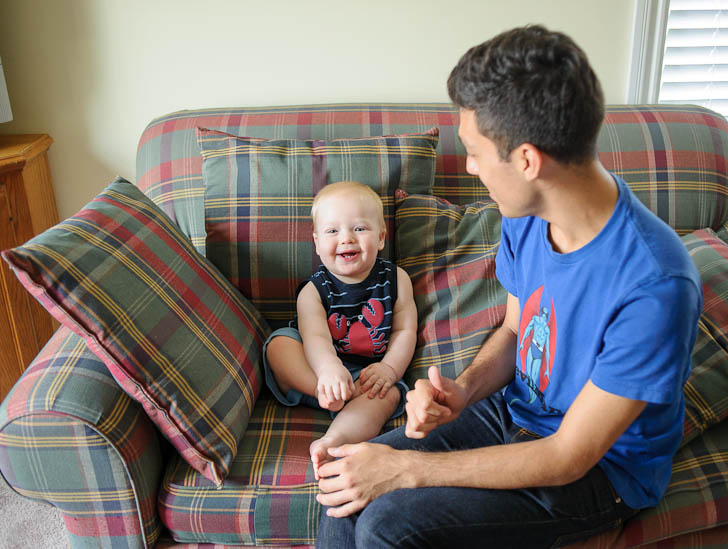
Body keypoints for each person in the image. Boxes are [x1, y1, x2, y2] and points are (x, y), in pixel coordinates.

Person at [315, 25, 702, 548]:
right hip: (514, 411)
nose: (470, 168)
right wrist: (464, 390)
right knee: (345, 484)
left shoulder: (656, 285)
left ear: (526, 160)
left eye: (474, 152)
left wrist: (405, 470)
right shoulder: (526, 213)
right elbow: (519, 329)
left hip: (601, 472)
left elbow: (569, 456)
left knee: (389, 523)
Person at [263, 181, 417, 479]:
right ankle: (329, 394)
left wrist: (389, 370)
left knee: (390, 396)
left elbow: (404, 332)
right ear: (318, 243)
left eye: (359, 228)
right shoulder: (312, 290)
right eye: (332, 231)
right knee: (278, 344)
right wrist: (328, 373)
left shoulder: (397, 280)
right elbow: (315, 338)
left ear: (381, 237)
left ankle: (334, 440)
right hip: (315, 370)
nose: (346, 239)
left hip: (367, 378)